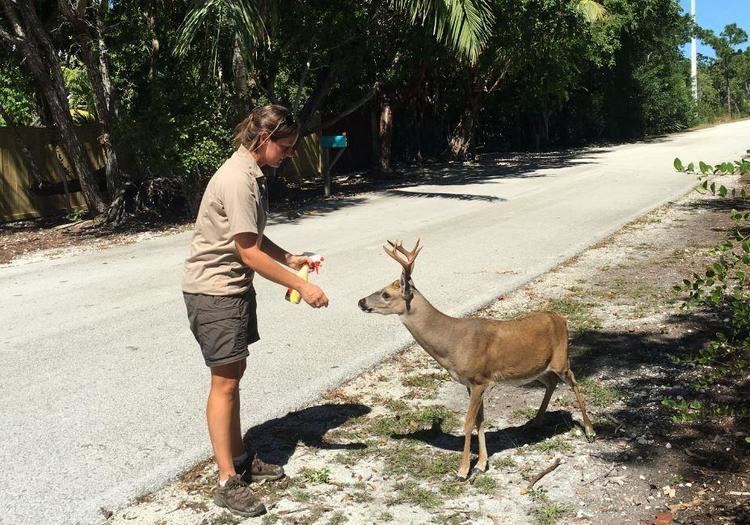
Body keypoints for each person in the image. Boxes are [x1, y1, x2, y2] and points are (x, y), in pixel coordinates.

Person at [182, 104, 329, 517]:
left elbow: (253, 238)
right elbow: (247, 253)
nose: (288, 153)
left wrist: (291, 258)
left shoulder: (251, 175)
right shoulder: (237, 180)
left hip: (231, 291)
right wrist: (301, 285)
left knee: (233, 377)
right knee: (224, 384)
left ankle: (241, 458)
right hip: (214, 293)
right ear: (264, 139)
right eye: (285, 146)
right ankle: (227, 479)